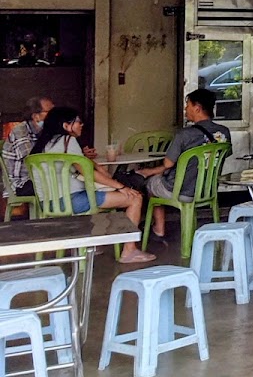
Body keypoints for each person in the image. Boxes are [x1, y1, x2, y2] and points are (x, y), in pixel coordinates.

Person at [31, 106, 155, 263]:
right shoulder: (68, 140)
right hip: (73, 201)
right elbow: (86, 172)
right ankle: (129, 251)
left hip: (48, 204)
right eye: (78, 121)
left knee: (98, 195)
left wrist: (97, 167)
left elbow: (83, 163)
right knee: (135, 198)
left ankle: (92, 244)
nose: (81, 125)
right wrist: (121, 187)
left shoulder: (42, 145)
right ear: (66, 126)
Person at [136, 89, 230, 246]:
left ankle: (159, 229)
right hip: (206, 191)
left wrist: (147, 172)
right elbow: (224, 155)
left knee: (151, 184)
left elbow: (167, 164)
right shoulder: (224, 132)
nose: (185, 109)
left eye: (188, 105)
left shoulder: (184, 135)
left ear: (197, 108)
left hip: (180, 191)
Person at [3, 95, 54, 198]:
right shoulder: (20, 131)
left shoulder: (43, 131)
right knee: (57, 185)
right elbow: (33, 161)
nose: (55, 116)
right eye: (51, 112)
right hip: (20, 184)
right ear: (36, 116)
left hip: (36, 179)